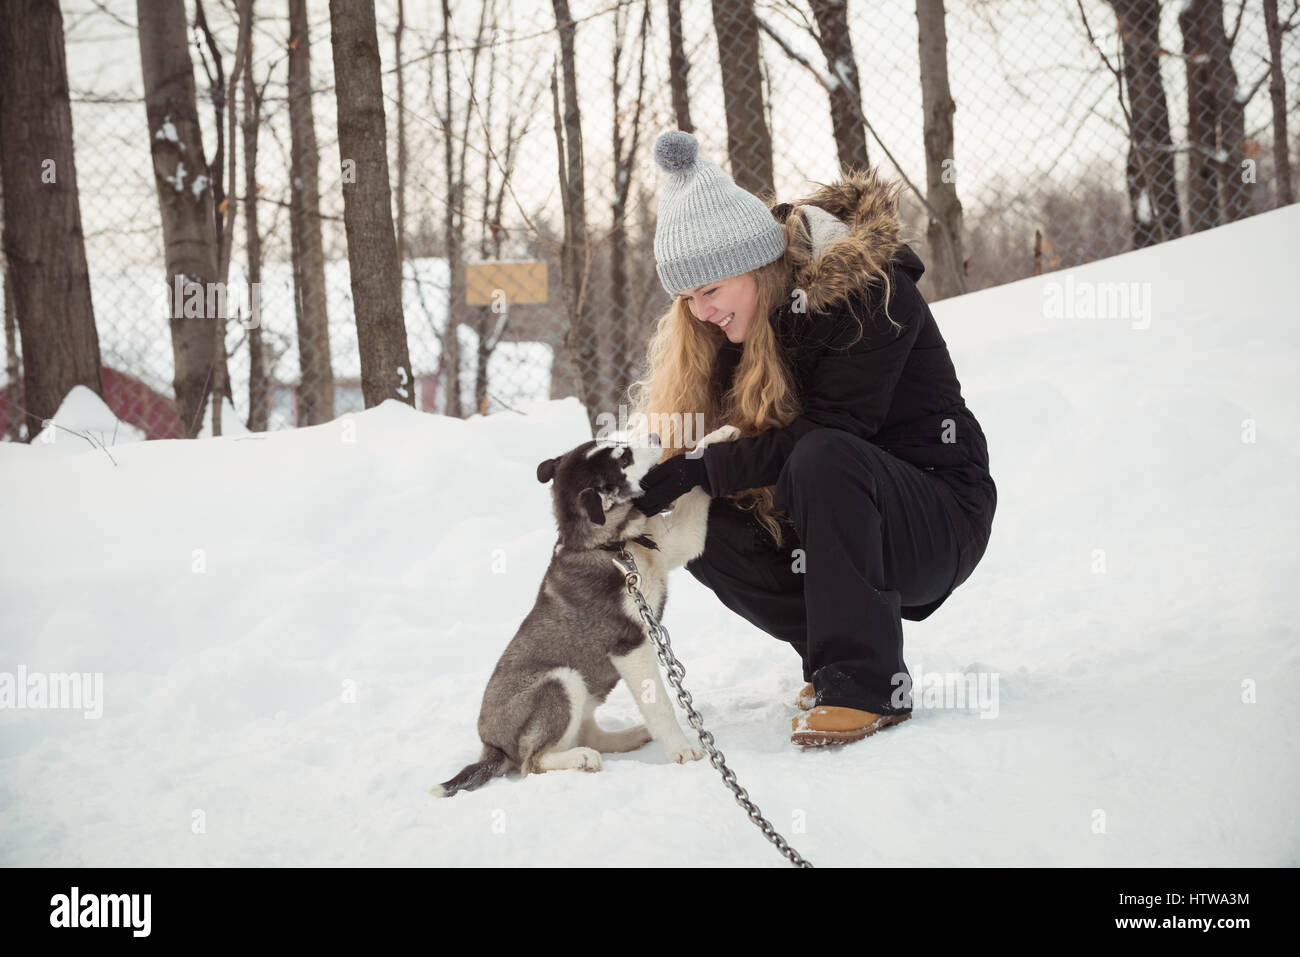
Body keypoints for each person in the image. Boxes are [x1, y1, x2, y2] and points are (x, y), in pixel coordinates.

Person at [627, 130, 997, 747]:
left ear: (757, 264)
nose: (701, 311)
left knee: (822, 455)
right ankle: (833, 657)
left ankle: (866, 684)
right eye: (688, 297)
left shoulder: (871, 295)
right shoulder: (730, 330)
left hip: (937, 516)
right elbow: (707, 456)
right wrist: (641, 478)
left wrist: (702, 466)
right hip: (843, 512)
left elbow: (829, 434)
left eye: (711, 289)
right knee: (696, 516)